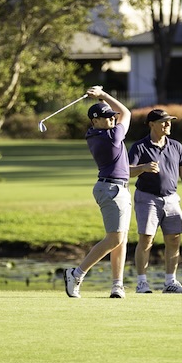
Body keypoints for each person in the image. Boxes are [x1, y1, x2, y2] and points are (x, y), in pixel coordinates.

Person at [64, 86, 133, 299]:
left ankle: (117, 285)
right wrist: (103, 95)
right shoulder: (111, 137)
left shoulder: (94, 134)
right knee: (114, 239)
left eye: (112, 118)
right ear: (95, 121)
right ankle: (76, 274)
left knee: (121, 239)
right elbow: (127, 113)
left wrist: (101, 99)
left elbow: (120, 114)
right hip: (111, 189)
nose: (112, 120)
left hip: (118, 188)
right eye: (106, 118)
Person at [128, 108, 182, 294]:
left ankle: (170, 282)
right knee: (146, 239)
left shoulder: (176, 146)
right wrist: (143, 167)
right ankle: (142, 283)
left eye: (169, 121)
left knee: (174, 239)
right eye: (163, 121)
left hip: (171, 198)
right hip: (147, 198)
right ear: (151, 124)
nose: (168, 124)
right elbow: (127, 171)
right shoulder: (139, 146)